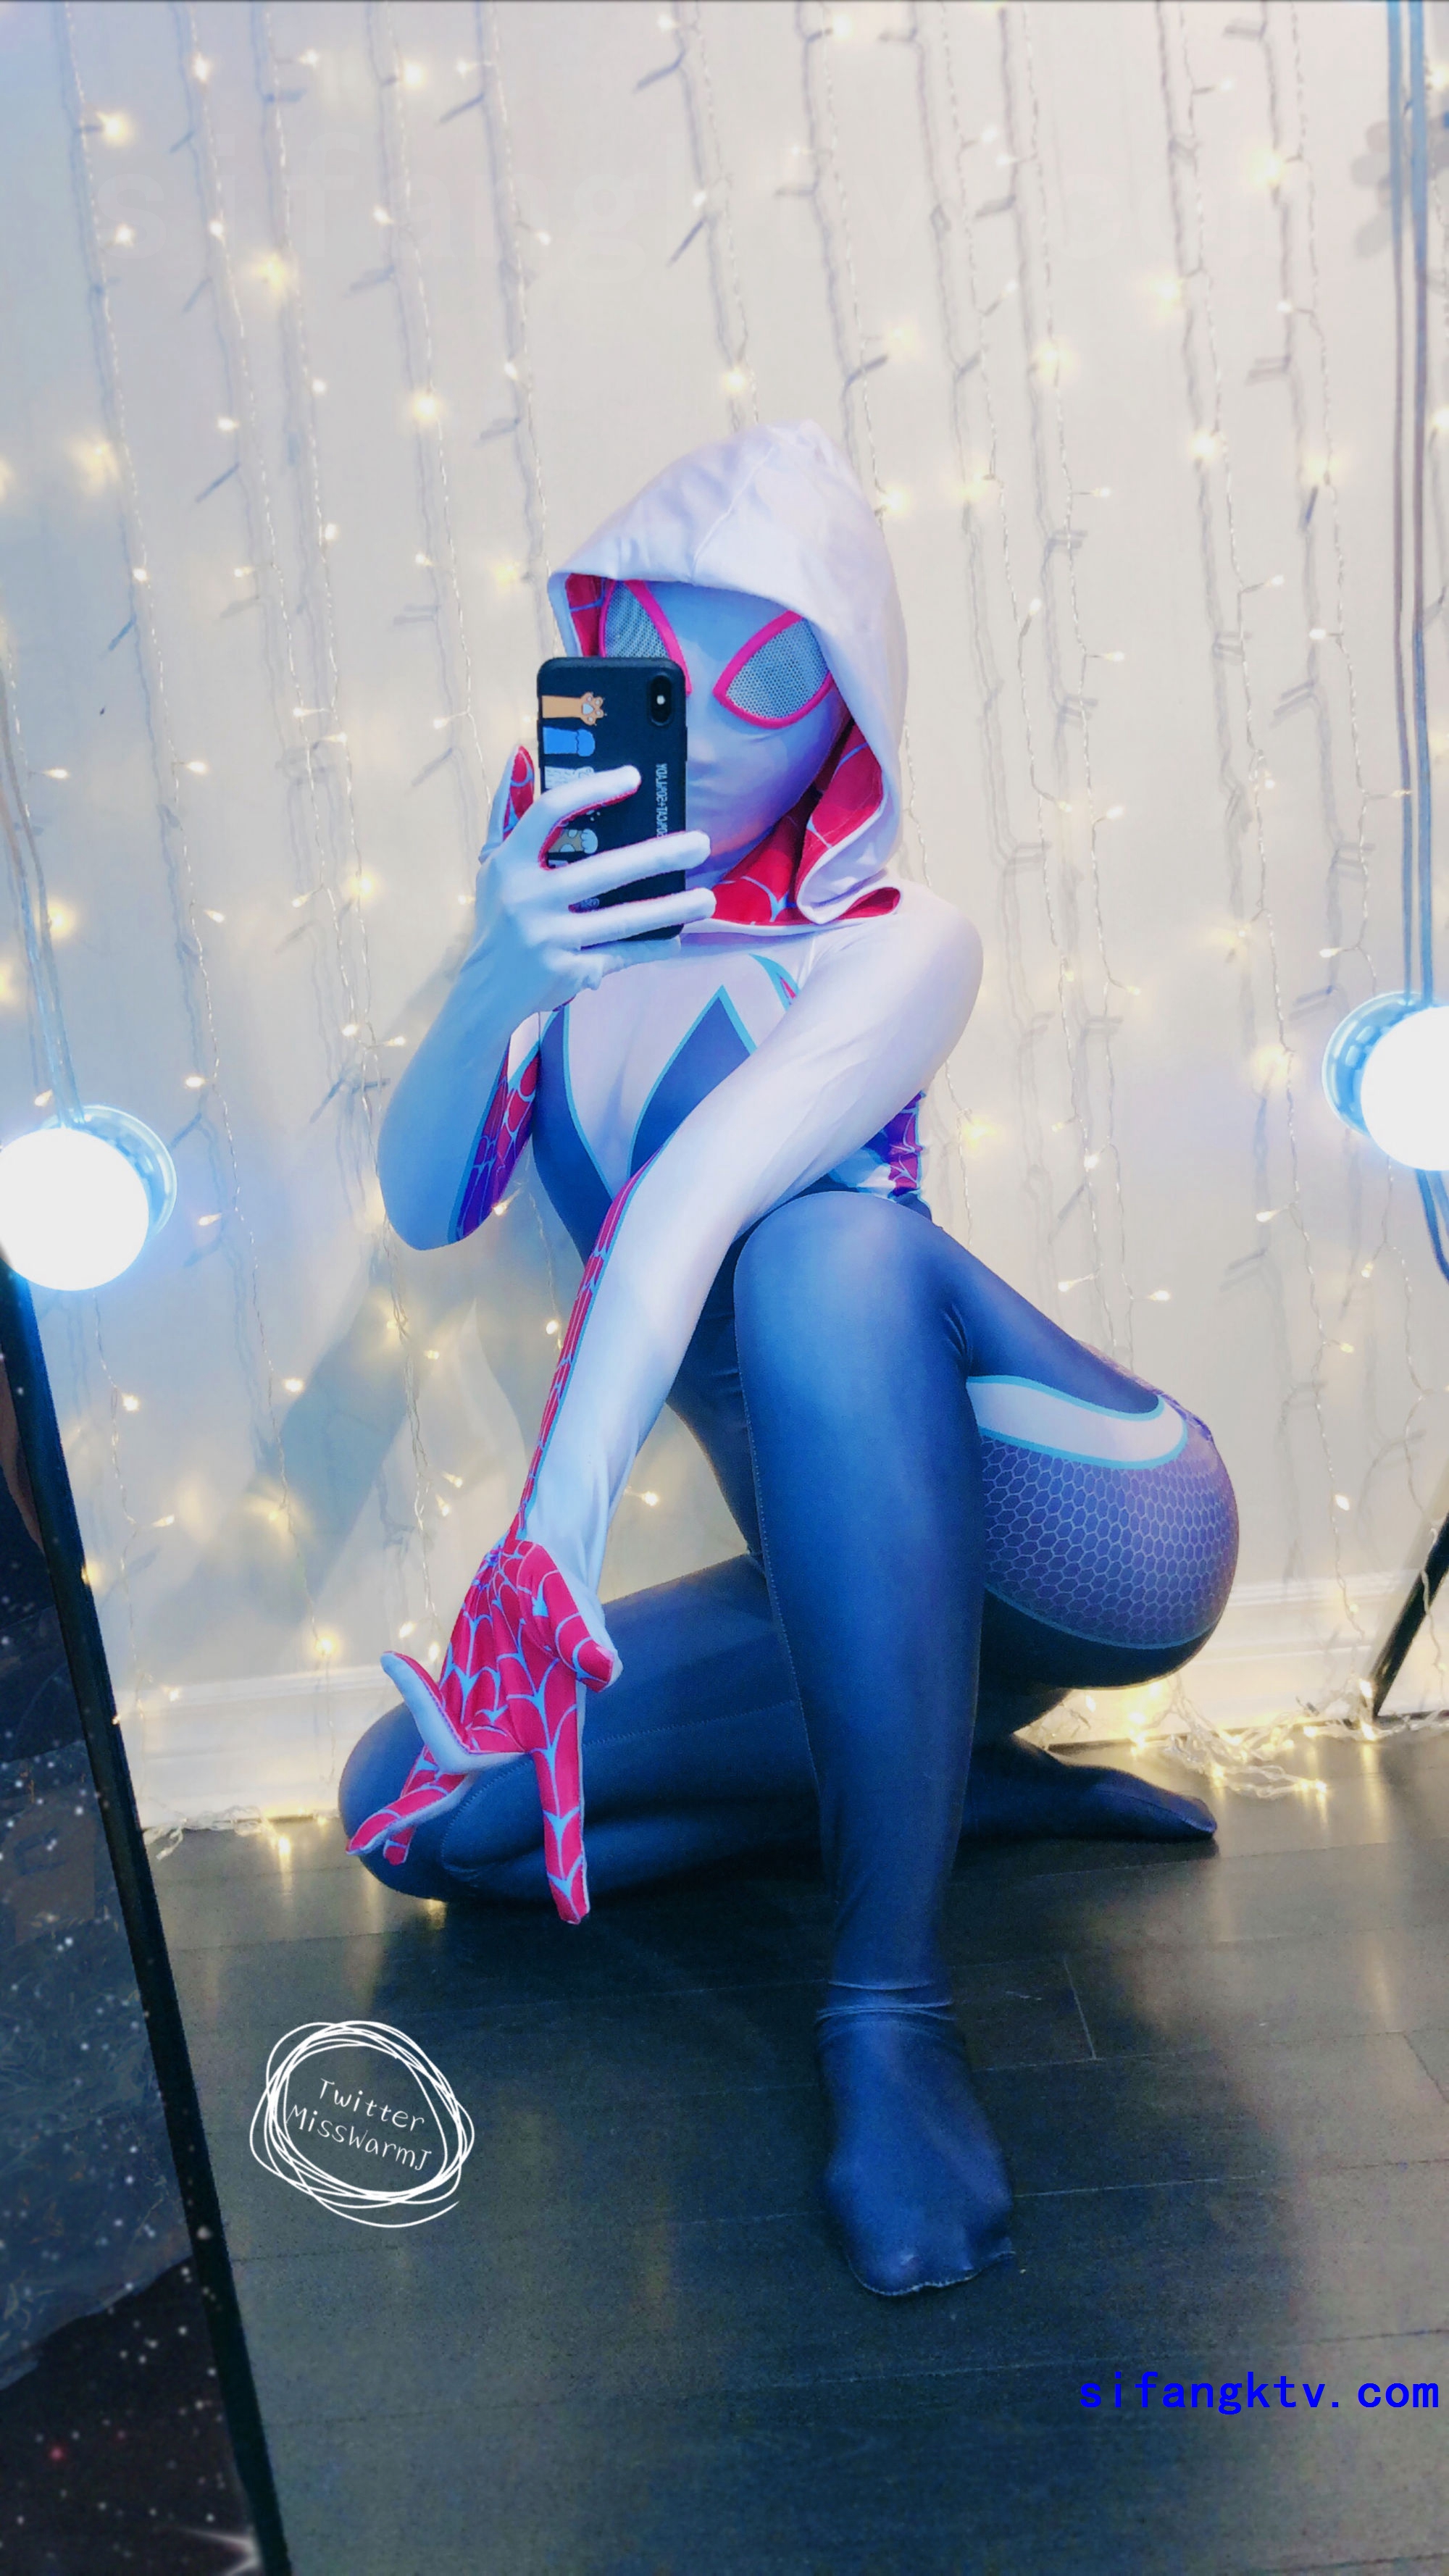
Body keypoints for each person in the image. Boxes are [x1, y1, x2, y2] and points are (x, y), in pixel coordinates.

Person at [341, 422, 1237, 2296]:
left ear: (847, 720)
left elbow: (681, 1216)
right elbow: (425, 1205)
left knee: (824, 1252)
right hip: (847, 1584)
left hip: (1094, 1521)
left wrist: (548, 1550)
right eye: (650, 663)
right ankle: (952, 1782)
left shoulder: (896, 945)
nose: (701, 724)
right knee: (417, 1811)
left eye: (766, 679)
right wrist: (499, 980)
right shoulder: (563, 949)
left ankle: (889, 2009)